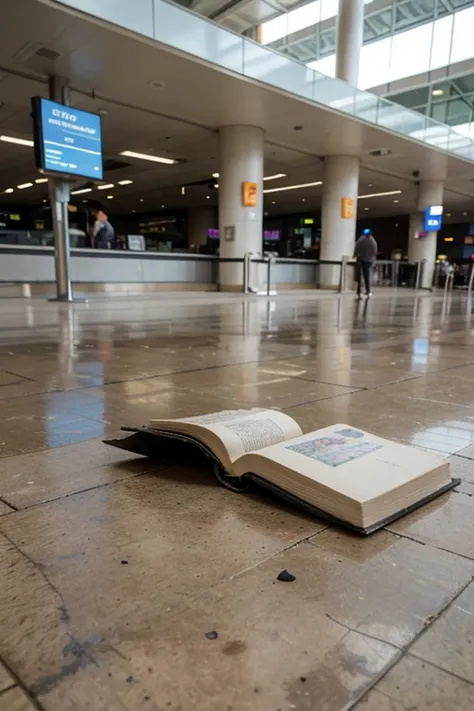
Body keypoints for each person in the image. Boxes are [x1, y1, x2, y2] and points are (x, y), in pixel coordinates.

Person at [353, 228, 378, 299]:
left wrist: (354, 255)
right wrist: (372, 260)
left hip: (360, 259)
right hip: (368, 261)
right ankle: (368, 291)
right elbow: (374, 251)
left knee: (359, 276)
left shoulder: (360, 240)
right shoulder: (372, 241)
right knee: (366, 276)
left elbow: (356, 248)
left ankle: (359, 291)